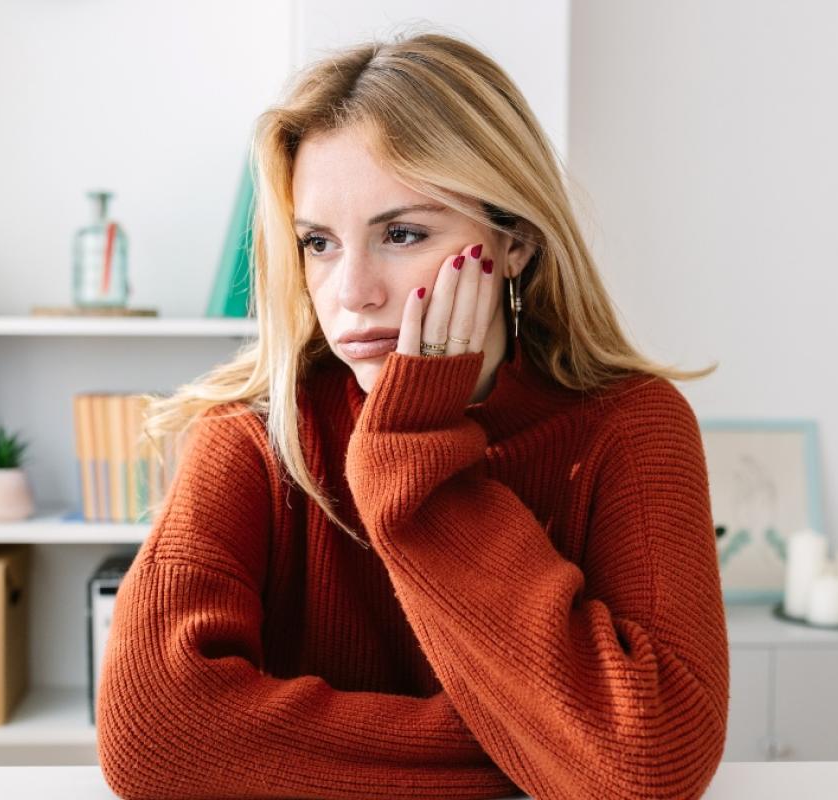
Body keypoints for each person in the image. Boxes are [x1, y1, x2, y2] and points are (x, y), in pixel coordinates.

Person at [96, 30, 729, 800]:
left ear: (517, 243)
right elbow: (152, 737)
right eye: (319, 243)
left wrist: (414, 456)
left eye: (402, 234)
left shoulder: (631, 427)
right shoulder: (255, 433)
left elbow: (647, 761)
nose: (351, 291)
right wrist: (545, 745)